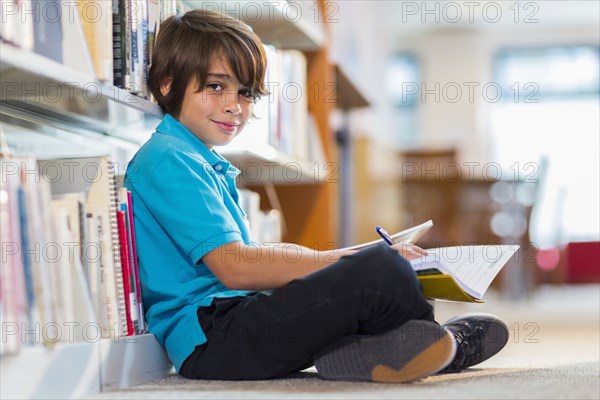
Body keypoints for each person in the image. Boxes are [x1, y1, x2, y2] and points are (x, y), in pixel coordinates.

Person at [124, 9, 509, 383]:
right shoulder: (168, 159)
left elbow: (245, 266)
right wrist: (350, 261)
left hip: (233, 320)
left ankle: (388, 347)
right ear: (168, 84)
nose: (234, 106)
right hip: (214, 337)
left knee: (391, 270)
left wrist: (354, 257)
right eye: (215, 86)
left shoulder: (197, 159)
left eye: (245, 92)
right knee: (383, 273)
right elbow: (237, 267)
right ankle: (440, 347)